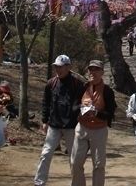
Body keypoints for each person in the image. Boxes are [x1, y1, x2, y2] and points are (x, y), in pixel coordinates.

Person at [34, 54, 85, 186]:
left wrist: (78, 119)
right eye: (56, 67)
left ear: (68, 67)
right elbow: (46, 103)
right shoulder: (51, 83)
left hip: (71, 126)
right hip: (54, 125)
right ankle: (39, 182)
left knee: (74, 159)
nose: (58, 69)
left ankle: (76, 183)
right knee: (45, 154)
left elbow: (82, 104)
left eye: (61, 67)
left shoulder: (78, 84)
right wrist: (44, 121)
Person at [70, 59, 117, 186]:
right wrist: (81, 106)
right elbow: (73, 107)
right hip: (82, 128)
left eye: (96, 69)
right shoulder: (82, 88)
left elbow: (110, 114)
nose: (93, 72)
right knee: (75, 162)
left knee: (99, 164)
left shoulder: (107, 91)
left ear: (102, 72)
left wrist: (96, 112)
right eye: (91, 69)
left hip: (99, 130)